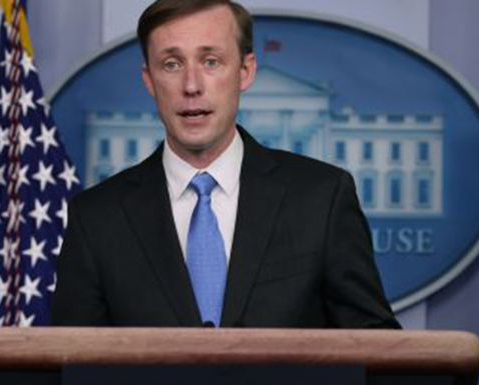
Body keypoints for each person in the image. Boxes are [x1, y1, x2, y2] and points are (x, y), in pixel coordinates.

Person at [52, 0, 400, 329]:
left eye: (210, 62)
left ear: (245, 71)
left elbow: (379, 352)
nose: (191, 86)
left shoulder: (322, 198)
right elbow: (70, 361)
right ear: (149, 80)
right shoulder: (96, 218)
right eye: (172, 64)